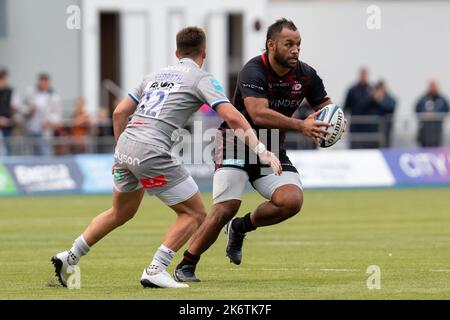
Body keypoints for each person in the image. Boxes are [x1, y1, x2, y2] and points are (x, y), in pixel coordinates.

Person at [51, 26, 281, 289]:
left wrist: (121, 152)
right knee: (195, 213)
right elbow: (232, 117)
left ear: (177, 52)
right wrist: (263, 150)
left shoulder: (153, 75)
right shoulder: (201, 78)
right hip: (151, 149)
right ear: (203, 52)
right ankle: (156, 269)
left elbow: (118, 113)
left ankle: (69, 257)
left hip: (126, 145)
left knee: (120, 211)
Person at [173, 18, 333, 282]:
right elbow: (258, 114)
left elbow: (325, 106)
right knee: (227, 206)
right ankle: (187, 264)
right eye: (289, 44)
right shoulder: (253, 69)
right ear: (271, 44)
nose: (295, 50)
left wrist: (335, 121)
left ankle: (240, 227)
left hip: (272, 145)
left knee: (291, 201)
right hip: (237, 141)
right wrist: (300, 125)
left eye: (298, 45)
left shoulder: (306, 75)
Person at [23, 73, 62, 155]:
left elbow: (57, 115)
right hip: (31, 128)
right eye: (41, 82)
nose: (42, 84)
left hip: (44, 131)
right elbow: (22, 107)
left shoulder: (54, 96)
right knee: (30, 153)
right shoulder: (31, 93)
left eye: (45, 82)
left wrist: (49, 120)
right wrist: (29, 110)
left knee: (45, 153)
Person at [343, 67, 372, 149]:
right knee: (355, 146)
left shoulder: (371, 89)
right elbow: (346, 107)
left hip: (368, 127)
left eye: (365, 74)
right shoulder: (352, 90)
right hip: (355, 125)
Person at [415, 79, 449, 147]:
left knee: (437, 145)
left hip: (437, 129)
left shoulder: (442, 99)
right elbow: (417, 108)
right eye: (431, 86)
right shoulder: (423, 98)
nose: (432, 88)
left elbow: (446, 109)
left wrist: (436, 115)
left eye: (434, 86)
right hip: (425, 129)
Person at [0, 68, 19, 155]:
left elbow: (15, 109)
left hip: (7, 126)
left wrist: (10, 121)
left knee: (8, 150)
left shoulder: (11, 92)